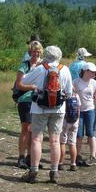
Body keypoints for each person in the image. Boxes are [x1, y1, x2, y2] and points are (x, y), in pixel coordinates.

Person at [20, 46, 73, 184]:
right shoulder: (65, 69)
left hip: (39, 108)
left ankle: (33, 170)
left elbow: (24, 81)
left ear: (46, 55)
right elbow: (69, 92)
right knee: (55, 141)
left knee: (36, 139)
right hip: (59, 109)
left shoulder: (41, 68)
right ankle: (54, 172)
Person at [14, 40, 43, 169]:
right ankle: (21, 156)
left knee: (34, 131)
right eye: (33, 51)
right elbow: (18, 84)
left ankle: (31, 157)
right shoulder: (24, 66)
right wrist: (31, 87)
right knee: (25, 129)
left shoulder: (43, 65)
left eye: (37, 51)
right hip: (25, 100)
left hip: (39, 101)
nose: (35, 54)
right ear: (29, 52)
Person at [73, 62, 96, 167]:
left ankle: (93, 156)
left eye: (95, 72)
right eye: (92, 72)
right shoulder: (76, 82)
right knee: (79, 134)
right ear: (85, 71)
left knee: (91, 133)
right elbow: (72, 95)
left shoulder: (95, 83)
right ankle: (77, 156)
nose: (94, 74)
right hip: (78, 111)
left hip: (90, 110)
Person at [58, 93, 81, 171]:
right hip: (74, 121)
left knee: (62, 142)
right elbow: (78, 109)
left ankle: (60, 163)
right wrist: (77, 120)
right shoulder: (76, 96)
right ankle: (73, 164)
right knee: (72, 143)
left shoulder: (64, 95)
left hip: (65, 121)